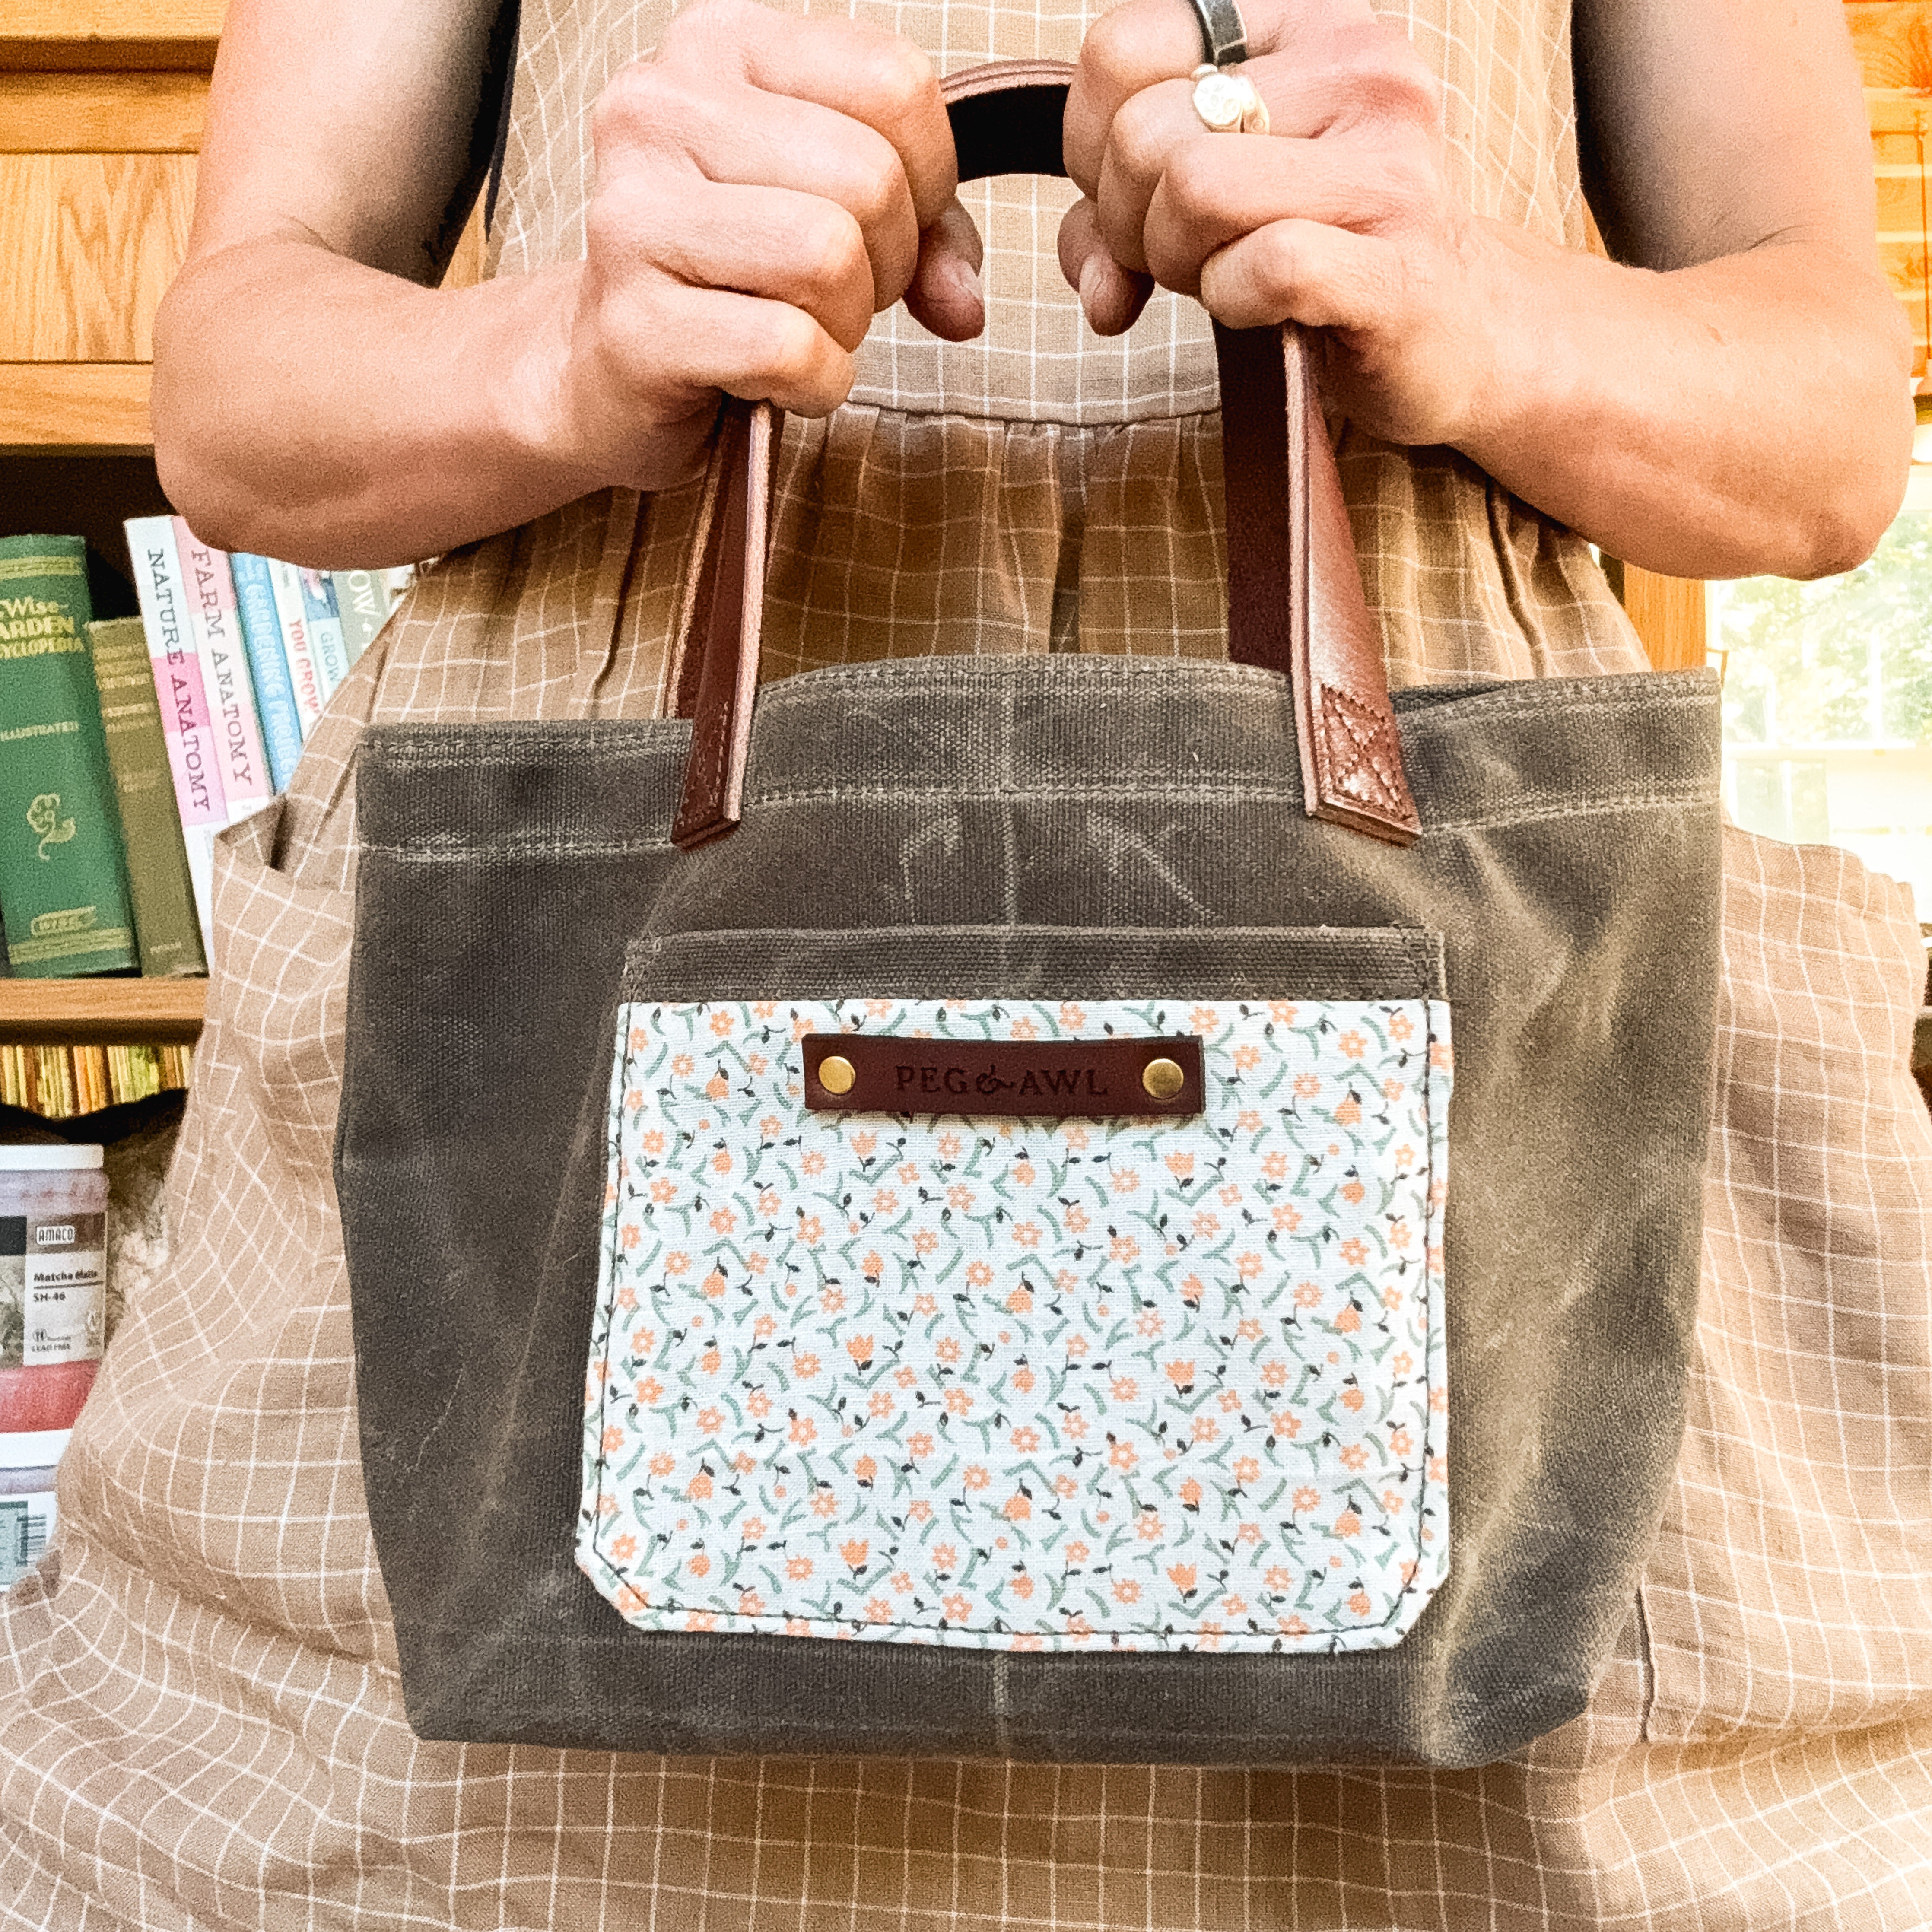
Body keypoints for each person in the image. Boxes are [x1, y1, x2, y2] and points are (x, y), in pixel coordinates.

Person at [3, 0, 1928, 1925]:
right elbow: (232, 394)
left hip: (1451, 957)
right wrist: (565, 342)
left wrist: (1499, 309)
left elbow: (1828, 429)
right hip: (605, 927)